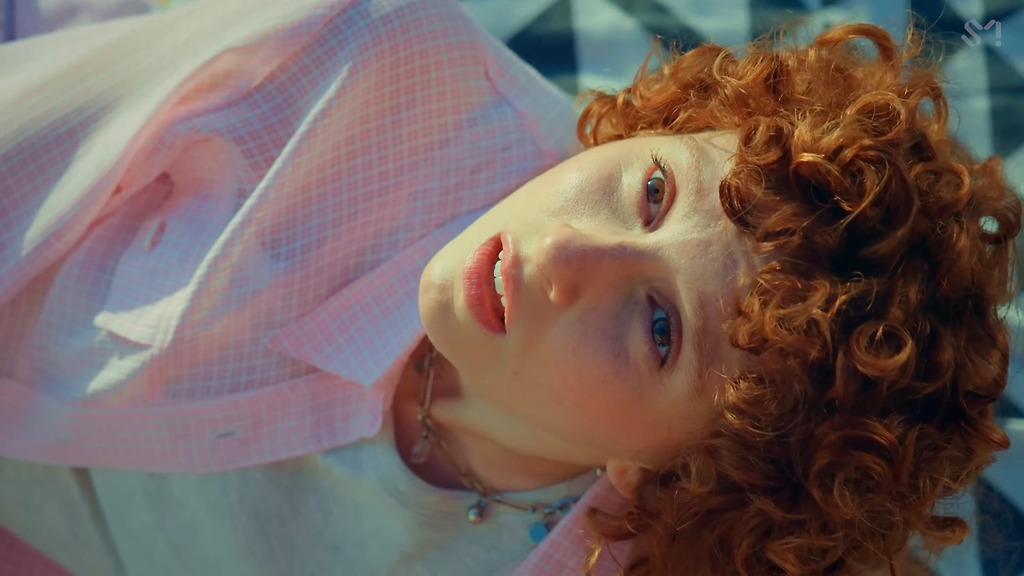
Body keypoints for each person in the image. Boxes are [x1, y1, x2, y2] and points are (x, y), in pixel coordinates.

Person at [0, 0, 1018, 575]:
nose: (568, 252)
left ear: (674, 473)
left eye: (659, 328)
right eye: (651, 190)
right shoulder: (362, 60)